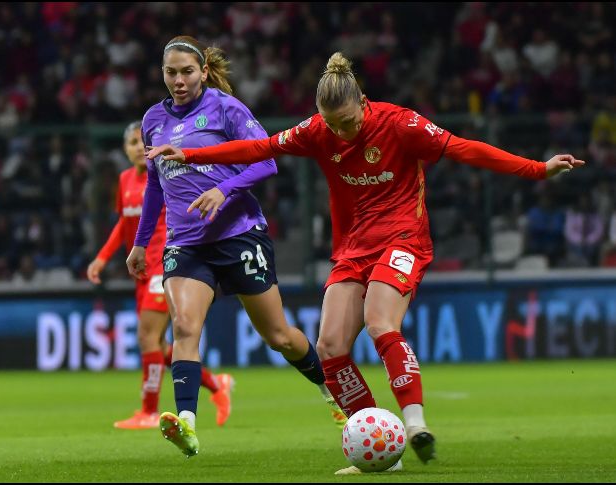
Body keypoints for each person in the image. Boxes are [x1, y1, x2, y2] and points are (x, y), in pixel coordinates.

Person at [147, 52, 586, 472]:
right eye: (333, 125)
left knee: (379, 323)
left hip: (403, 238)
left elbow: (465, 148)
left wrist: (535, 169)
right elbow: (258, 148)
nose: (341, 133)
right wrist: (191, 155)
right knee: (330, 347)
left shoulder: (401, 124)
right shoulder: (318, 130)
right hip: (353, 247)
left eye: (349, 122)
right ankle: (381, 442)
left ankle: (415, 425)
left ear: (363, 102)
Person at [127, 36, 345, 458]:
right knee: (186, 326)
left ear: (204, 72)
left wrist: (223, 191)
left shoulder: (227, 109)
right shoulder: (153, 119)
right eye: (170, 72)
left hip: (239, 236)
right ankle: (186, 423)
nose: (178, 80)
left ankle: (332, 392)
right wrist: (140, 243)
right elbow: (155, 183)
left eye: (187, 72)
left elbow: (266, 160)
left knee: (279, 336)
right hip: (186, 243)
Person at [87, 120, 233, 430]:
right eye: (131, 144)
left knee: (147, 337)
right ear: (125, 151)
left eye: (142, 142)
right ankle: (217, 385)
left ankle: (149, 411)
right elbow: (123, 225)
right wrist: (102, 258)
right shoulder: (125, 180)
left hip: (164, 266)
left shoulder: (166, 176)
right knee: (160, 346)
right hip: (140, 271)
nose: (138, 148)